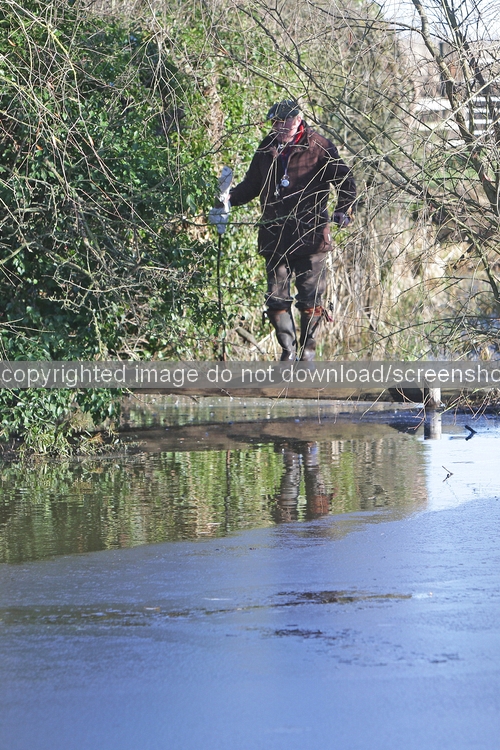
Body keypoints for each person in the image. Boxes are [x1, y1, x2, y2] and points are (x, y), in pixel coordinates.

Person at [209, 99, 356, 360]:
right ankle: (288, 353)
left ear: (298, 119)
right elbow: (252, 185)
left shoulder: (319, 147)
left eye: (284, 122)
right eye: (275, 123)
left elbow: (345, 181)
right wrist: (228, 199)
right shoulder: (266, 147)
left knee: (310, 300)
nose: (279, 127)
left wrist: (343, 210)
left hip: (310, 236)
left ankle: (307, 354)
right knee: (276, 299)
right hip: (274, 235)